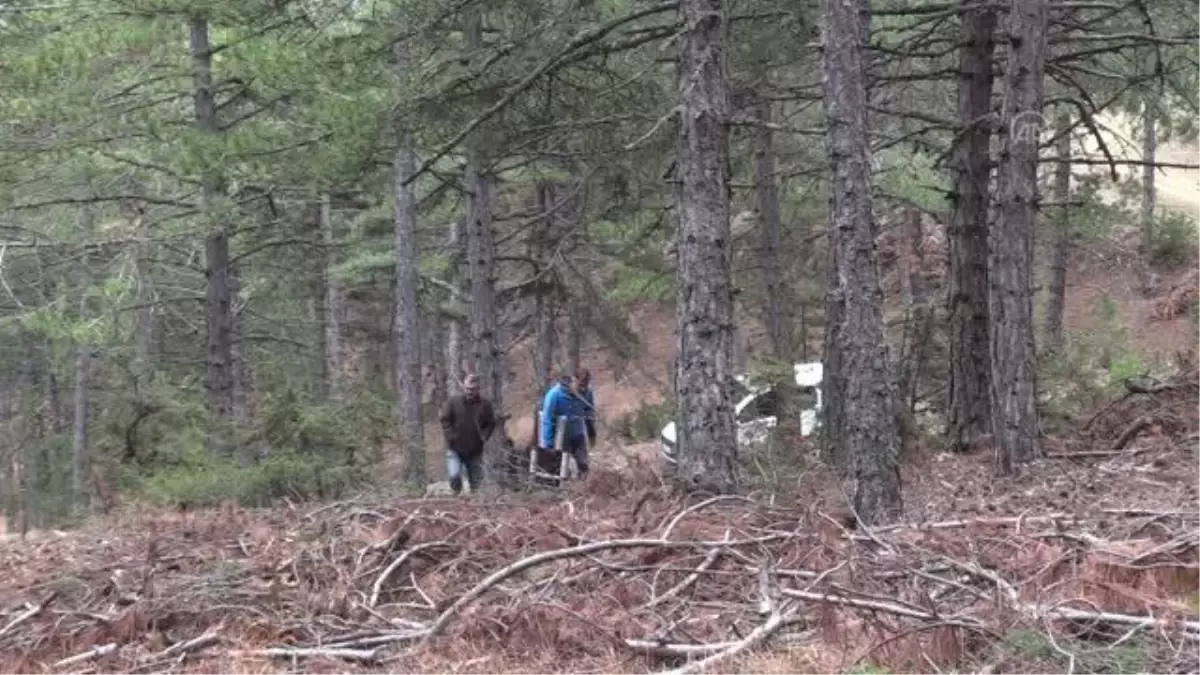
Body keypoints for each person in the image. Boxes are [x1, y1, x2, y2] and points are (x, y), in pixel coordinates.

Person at [439, 373, 496, 495]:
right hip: (454, 448)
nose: (469, 392)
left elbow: (491, 423)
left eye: (473, 389)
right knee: (454, 476)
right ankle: (456, 499)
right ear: (464, 387)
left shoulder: (485, 405)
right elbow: (445, 419)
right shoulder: (453, 402)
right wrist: (451, 436)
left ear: (478, 389)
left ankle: (475, 505)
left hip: (475, 449)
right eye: (467, 389)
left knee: (476, 481)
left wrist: (484, 436)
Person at [538, 368, 597, 480]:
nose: (583, 388)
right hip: (559, 436)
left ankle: (583, 487)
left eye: (585, 385)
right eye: (580, 385)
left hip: (577, 434)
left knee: (583, 465)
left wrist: (591, 433)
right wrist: (548, 446)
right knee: (562, 467)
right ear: (573, 380)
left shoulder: (587, 392)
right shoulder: (555, 395)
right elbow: (547, 420)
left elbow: (589, 413)